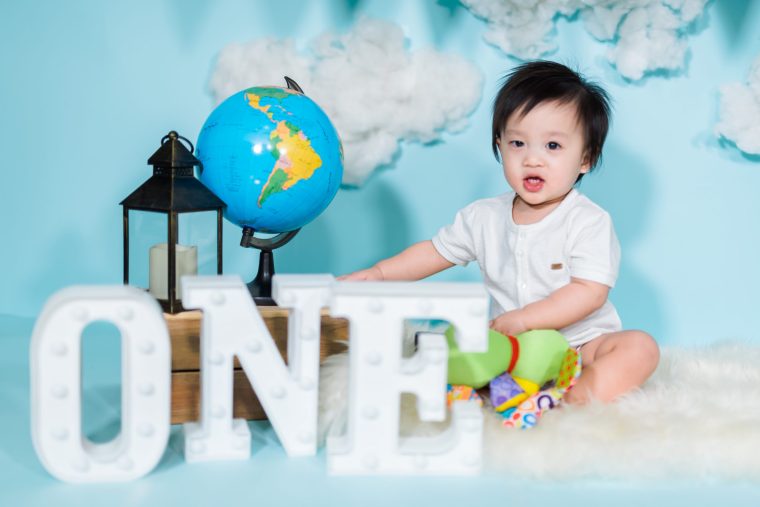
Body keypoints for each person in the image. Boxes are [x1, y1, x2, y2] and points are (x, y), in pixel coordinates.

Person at [341, 60, 659, 405]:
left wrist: (526, 319)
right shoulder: (483, 217)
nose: (532, 159)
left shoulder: (587, 220)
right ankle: (501, 390)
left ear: (586, 158)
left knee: (640, 347)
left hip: (581, 347)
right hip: (512, 350)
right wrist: (381, 273)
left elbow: (589, 292)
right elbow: (434, 252)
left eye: (553, 146)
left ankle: (575, 400)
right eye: (518, 143)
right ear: (500, 145)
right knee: (450, 349)